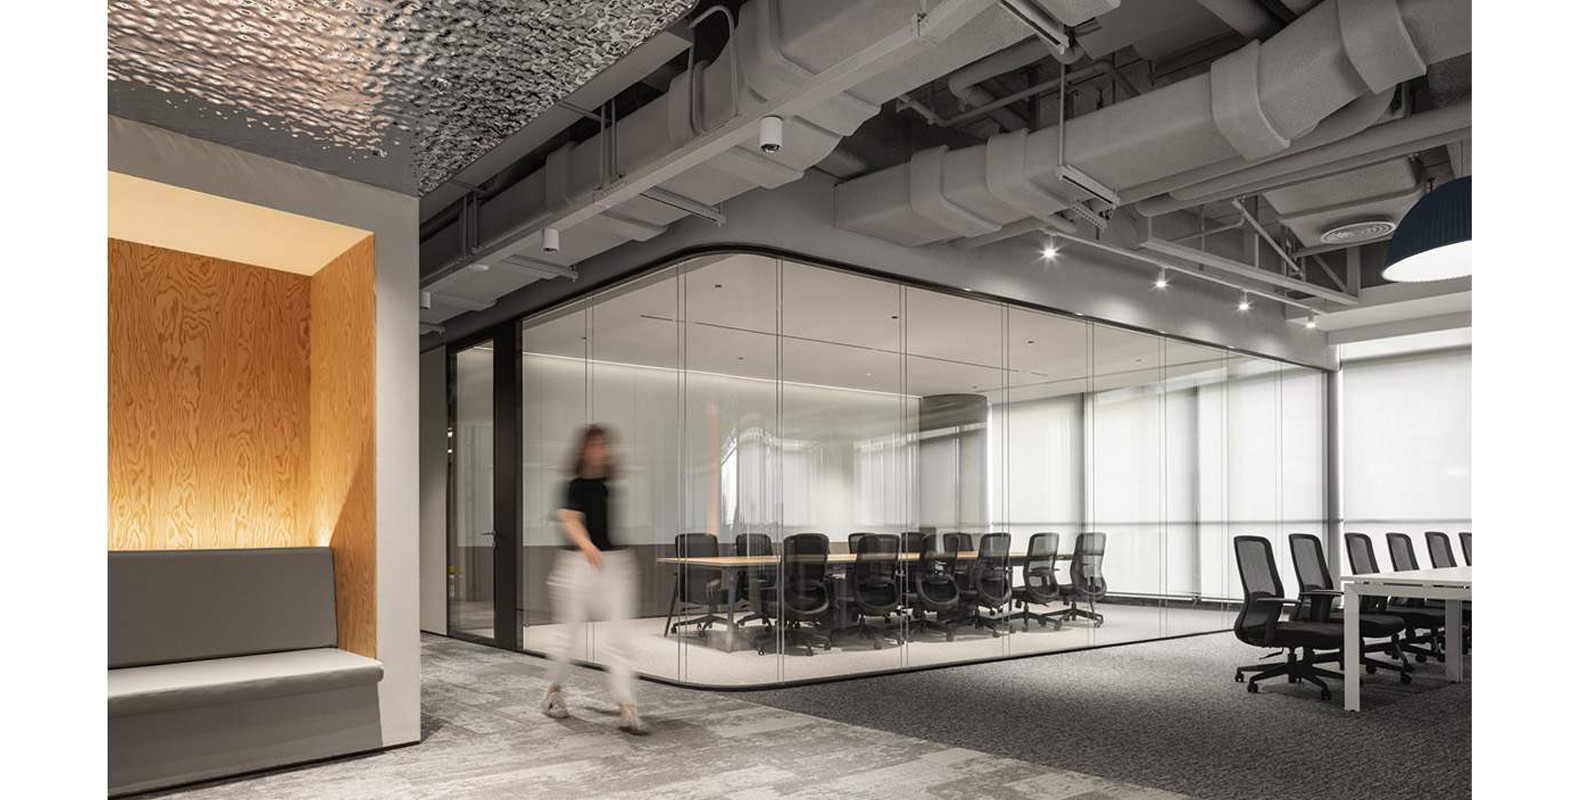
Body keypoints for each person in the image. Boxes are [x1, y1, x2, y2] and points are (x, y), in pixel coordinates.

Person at [540, 425, 647, 735]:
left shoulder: (607, 487)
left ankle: (627, 705)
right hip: (577, 566)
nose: (603, 450)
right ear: (584, 450)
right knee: (568, 637)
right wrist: (586, 544)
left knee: (619, 638)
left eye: (605, 445)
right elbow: (569, 519)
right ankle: (552, 692)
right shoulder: (574, 486)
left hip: (612, 564)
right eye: (596, 445)